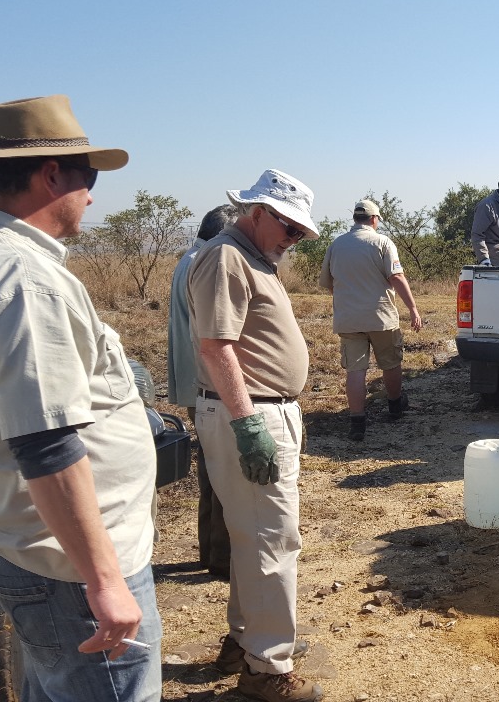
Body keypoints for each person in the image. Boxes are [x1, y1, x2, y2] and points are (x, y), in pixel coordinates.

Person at [0, 95, 161, 700]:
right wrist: (103, 580)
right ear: (52, 175)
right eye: (88, 179)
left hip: (36, 553)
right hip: (69, 570)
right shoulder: (24, 279)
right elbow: (46, 441)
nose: (91, 196)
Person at [188, 170, 322, 702]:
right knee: (272, 538)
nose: (294, 238)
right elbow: (216, 346)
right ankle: (267, 668)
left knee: (256, 535)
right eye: (289, 228)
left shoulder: (253, 257)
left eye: (300, 232)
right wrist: (247, 424)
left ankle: (247, 641)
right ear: (258, 212)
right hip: (250, 414)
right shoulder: (227, 257)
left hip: (264, 411)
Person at [319, 199, 424, 441]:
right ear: (374, 219)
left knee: (355, 370)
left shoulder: (336, 244)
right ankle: (395, 406)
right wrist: (413, 308)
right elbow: (396, 277)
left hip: (349, 319)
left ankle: (357, 422)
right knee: (390, 363)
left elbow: (329, 283)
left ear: (355, 218)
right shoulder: (383, 242)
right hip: (381, 317)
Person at [168, 203, 236, 579]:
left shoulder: (188, 259)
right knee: (224, 471)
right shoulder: (207, 263)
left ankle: (212, 552)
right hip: (209, 384)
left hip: (195, 383)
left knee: (212, 469)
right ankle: (223, 559)